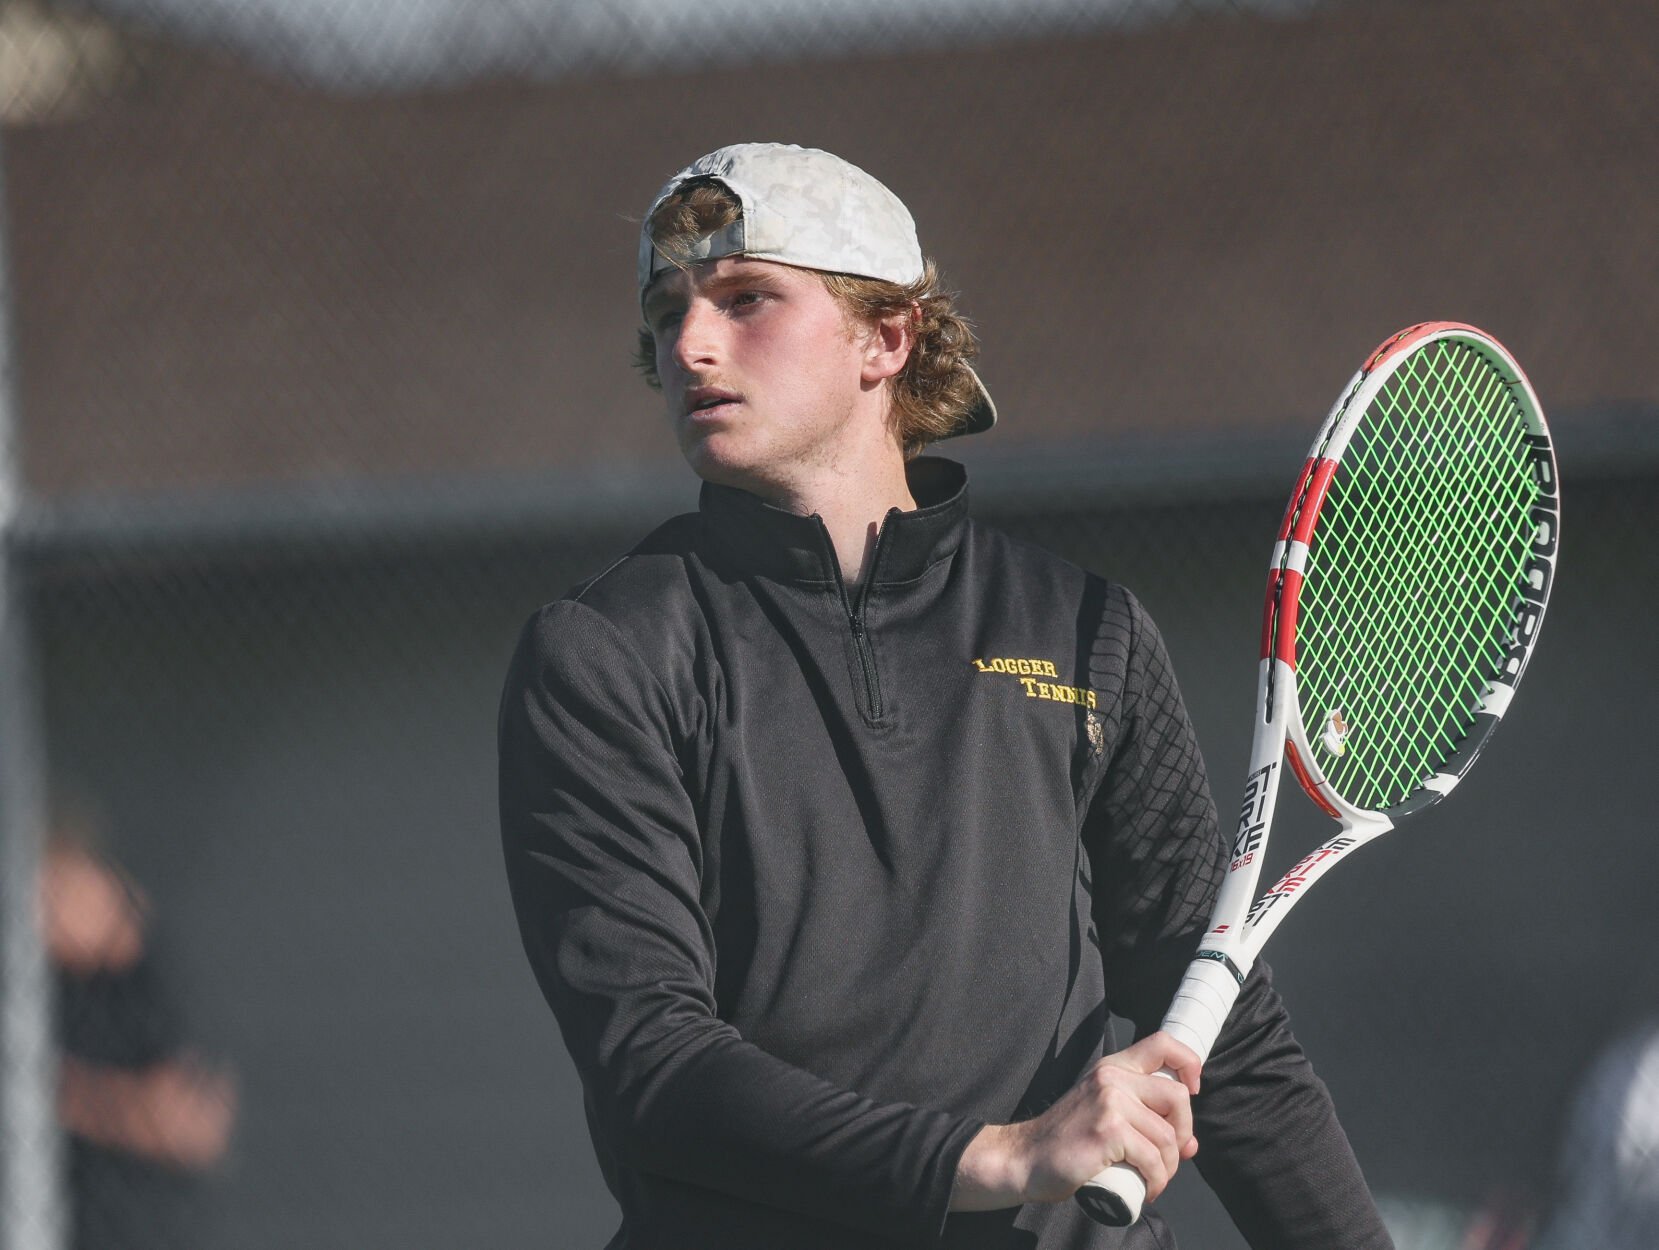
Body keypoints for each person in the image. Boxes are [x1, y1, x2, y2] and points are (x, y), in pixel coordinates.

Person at [498, 142, 1392, 1248]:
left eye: (747, 299)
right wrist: (1000, 1156)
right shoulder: (604, 653)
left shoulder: (1085, 630)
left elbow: (1228, 1032)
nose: (690, 342)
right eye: (668, 307)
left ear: (888, 336)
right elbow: (655, 1063)